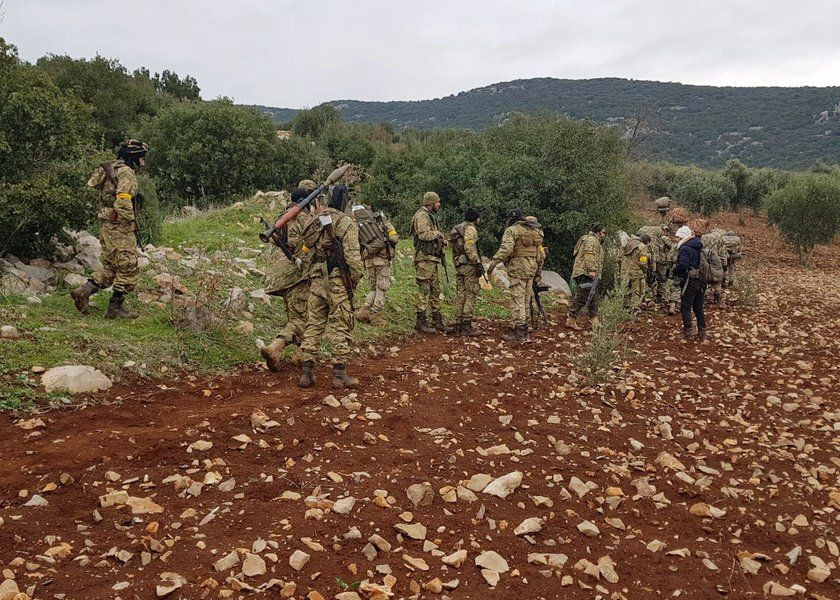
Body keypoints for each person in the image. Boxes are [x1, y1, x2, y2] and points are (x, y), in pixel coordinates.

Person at [71, 139, 149, 319]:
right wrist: (131, 222)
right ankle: (115, 308)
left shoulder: (112, 169)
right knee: (129, 265)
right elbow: (122, 199)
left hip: (106, 223)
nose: (143, 162)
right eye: (141, 158)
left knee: (113, 265)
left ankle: (84, 291)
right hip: (119, 225)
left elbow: (93, 184)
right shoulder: (127, 172)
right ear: (133, 157)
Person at [297, 185, 364, 388]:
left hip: (317, 280)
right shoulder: (346, 222)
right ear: (344, 200)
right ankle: (340, 374)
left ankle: (306, 373)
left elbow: (306, 247)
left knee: (313, 326)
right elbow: (353, 257)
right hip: (338, 282)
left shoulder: (315, 220)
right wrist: (354, 279)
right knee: (341, 325)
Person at [260, 188, 315, 371]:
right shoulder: (302, 217)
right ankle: (276, 347)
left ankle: (300, 356)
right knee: (301, 318)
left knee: (298, 316)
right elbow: (315, 242)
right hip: (295, 276)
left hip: (278, 277)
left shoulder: (282, 216)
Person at [488, 209, 545, 342]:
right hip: (531, 269)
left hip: (518, 269)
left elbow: (506, 250)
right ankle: (525, 331)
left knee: (517, 300)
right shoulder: (535, 231)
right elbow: (541, 255)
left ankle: (519, 333)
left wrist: (492, 265)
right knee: (525, 300)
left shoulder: (512, 230)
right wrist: (538, 272)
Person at [351, 204, 399, 327]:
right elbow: (394, 238)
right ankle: (376, 315)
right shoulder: (381, 222)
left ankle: (364, 310)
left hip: (368, 261)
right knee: (382, 288)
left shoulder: (357, 226)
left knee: (374, 288)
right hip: (382, 260)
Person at [411, 191, 447, 334]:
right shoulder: (422, 216)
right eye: (437, 202)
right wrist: (438, 234)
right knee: (424, 290)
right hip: (424, 259)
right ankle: (421, 321)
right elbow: (424, 235)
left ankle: (437, 320)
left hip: (432, 259)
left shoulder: (429, 215)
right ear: (431, 203)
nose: (439, 205)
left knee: (435, 290)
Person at [448, 207, 483, 337]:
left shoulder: (459, 228)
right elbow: (469, 246)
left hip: (459, 265)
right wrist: (477, 262)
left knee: (461, 294)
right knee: (471, 294)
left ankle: (457, 325)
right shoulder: (471, 229)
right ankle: (466, 326)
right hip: (468, 266)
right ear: (475, 218)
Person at [566, 223, 606, 330]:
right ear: (597, 232)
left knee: (592, 297)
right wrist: (592, 270)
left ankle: (595, 321)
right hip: (586, 272)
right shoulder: (592, 240)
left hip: (585, 271)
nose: (604, 235)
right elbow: (589, 255)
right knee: (582, 297)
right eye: (603, 232)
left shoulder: (589, 239)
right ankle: (571, 319)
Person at [673, 225, 707, 339]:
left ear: (682, 237)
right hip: (701, 281)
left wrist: (675, 270)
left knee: (686, 307)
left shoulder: (684, 248)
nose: (677, 239)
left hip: (689, 281)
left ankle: (688, 333)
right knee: (698, 307)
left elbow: (683, 264)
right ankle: (702, 333)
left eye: (678, 237)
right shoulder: (697, 246)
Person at [619, 233, 650, 312]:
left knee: (625, 289)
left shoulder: (625, 244)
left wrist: (621, 269)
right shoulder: (642, 246)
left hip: (624, 272)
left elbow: (618, 259)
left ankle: (625, 307)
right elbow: (643, 262)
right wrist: (645, 270)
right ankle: (634, 308)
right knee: (636, 291)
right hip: (636, 273)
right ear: (645, 241)